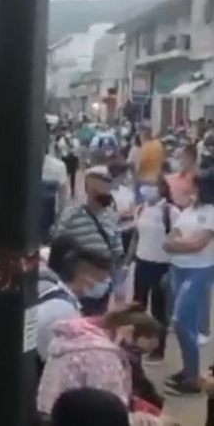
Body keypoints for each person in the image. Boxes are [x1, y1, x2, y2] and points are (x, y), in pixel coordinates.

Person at [37, 306, 162, 415]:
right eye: (136, 351)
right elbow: (110, 410)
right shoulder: (103, 356)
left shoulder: (72, 341)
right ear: (128, 332)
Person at [164, 168, 214, 395]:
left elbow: (198, 245)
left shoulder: (211, 212)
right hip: (179, 269)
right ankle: (188, 370)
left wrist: (177, 244)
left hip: (199, 271)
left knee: (181, 321)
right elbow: (171, 236)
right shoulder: (189, 209)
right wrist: (181, 243)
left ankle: (193, 378)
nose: (189, 187)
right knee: (187, 323)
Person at [53, 165, 124, 315]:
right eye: (99, 190)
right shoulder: (71, 214)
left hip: (103, 285)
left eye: (107, 188)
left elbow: (117, 252)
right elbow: (58, 245)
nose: (105, 194)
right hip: (79, 284)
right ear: (89, 190)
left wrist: (118, 287)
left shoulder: (112, 216)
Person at [35, 233, 115, 364]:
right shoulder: (63, 311)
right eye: (102, 280)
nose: (106, 284)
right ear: (84, 276)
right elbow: (60, 359)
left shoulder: (59, 296)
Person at [131, 179, 177, 363]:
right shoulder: (141, 209)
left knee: (159, 310)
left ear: (162, 189)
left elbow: (176, 238)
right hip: (142, 263)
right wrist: (128, 261)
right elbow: (136, 236)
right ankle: (137, 343)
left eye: (153, 185)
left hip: (162, 266)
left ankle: (158, 348)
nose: (148, 189)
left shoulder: (170, 212)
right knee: (137, 307)